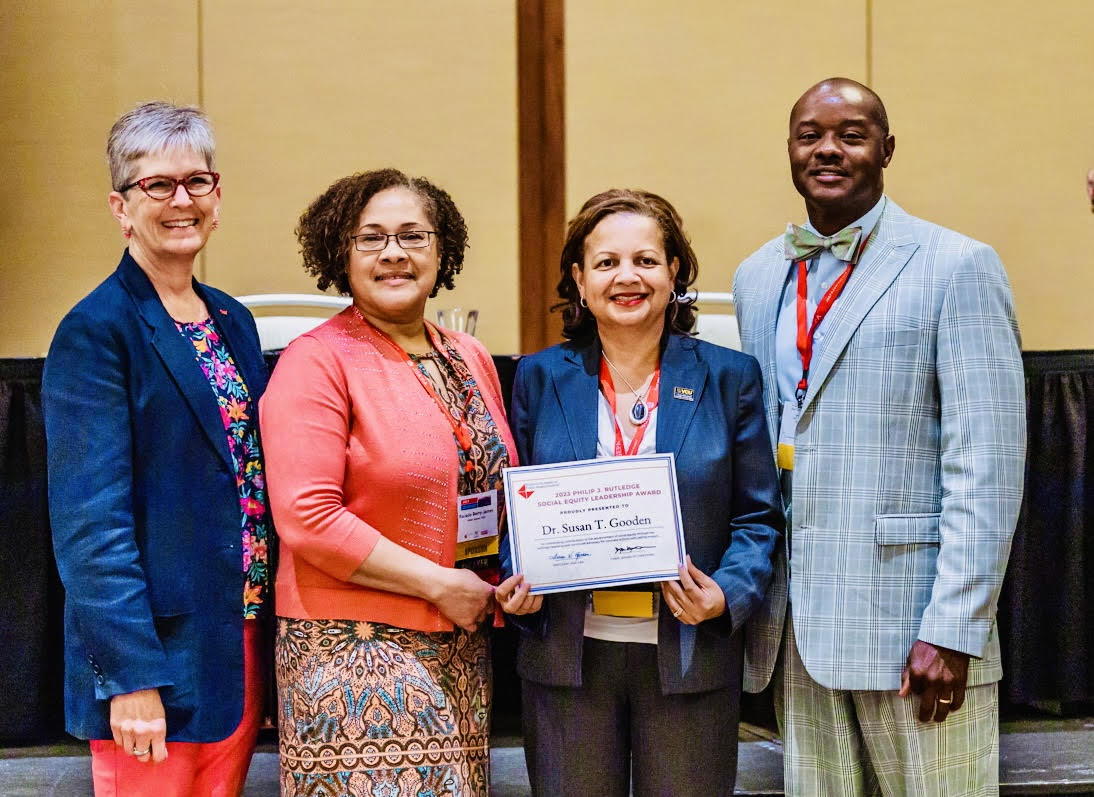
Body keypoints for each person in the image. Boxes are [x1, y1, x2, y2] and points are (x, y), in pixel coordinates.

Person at [734, 78, 1026, 795]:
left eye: (852, 134)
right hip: (797, 632)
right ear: (790, 149)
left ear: (887, 149)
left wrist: (955, 626)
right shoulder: (757, 274)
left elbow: (986, 465)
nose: (828, 149)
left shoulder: (957, 265)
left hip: (914, 629)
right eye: (809, 134)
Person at [498, 188, 783, 796]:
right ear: (579, 279)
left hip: (687, 650)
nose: (626, 277)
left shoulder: (730, 378)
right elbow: (509, 511)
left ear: (674, 272)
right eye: (606, 263)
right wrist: (514, 578)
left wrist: (725, 595)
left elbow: (759, 517)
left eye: (646, 261)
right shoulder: (538, 377)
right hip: (568, 655)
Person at [259, 168, 520, 797]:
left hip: (458, 644)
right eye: (371, 238)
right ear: (339, 254)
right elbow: (308, 518)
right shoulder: (316, 361)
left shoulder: (467, 354)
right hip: (351, 658)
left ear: (441, 249)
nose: (394, 254)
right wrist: (441, 585)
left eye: (412, 236)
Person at [41, 101, 270, 796]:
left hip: (238, 640)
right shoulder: (97, 330)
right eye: (158, 185)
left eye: (197, 182)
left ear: (218, 196)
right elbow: (90, 527)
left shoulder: (233, 319)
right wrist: (131, 675)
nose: (182, 200)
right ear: (120, 204)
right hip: (155, 660)